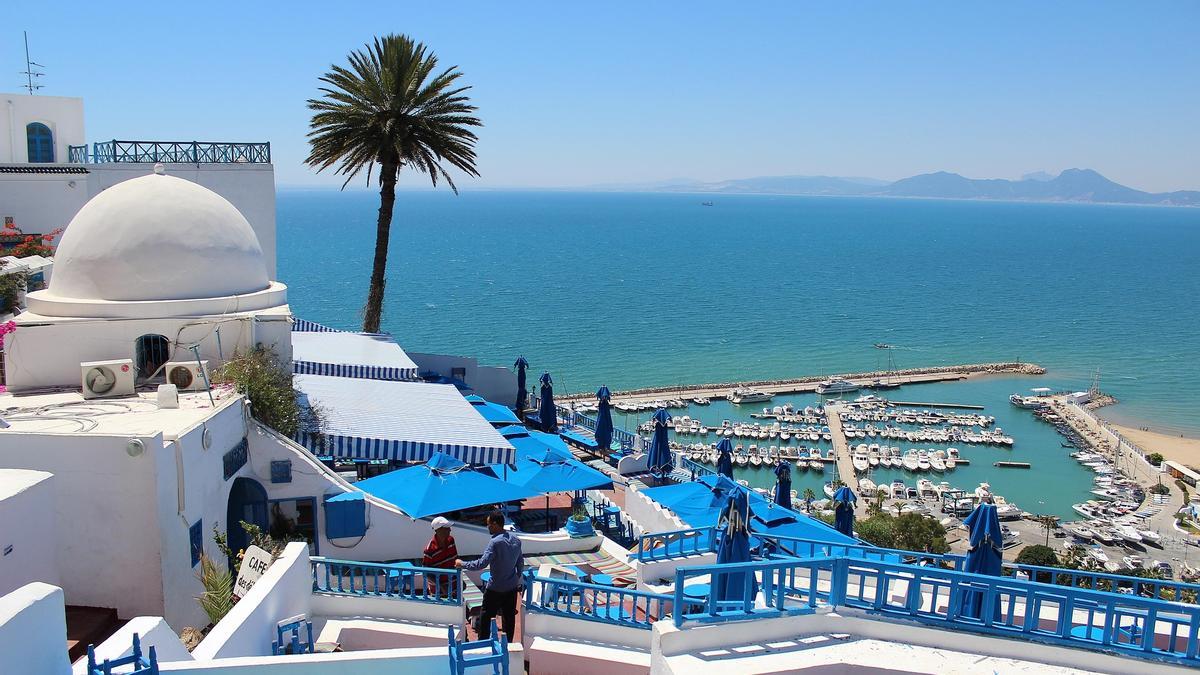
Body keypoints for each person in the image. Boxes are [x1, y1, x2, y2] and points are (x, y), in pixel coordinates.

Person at [456, 511, 523, 640]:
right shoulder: (516, 540)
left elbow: (481, 564)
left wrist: (462, 563)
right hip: (511, 588)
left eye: (489, 525)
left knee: (485, 617)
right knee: (509, 619)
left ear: (496, 524)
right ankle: (508, 645)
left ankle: (483, 644)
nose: (488, 527)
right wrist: (515, 578)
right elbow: (520, 563)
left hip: (495, 588)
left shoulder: (495, 543)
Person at [422, 516, 459, 598]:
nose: (450, 530)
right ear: (438, 530)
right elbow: (426, 572)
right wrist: (441, 586)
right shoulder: (429, 550)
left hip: (453, 584)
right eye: (447, 528)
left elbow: (455, 560)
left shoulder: (451, 540)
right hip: (438, 590)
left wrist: (459, 578)